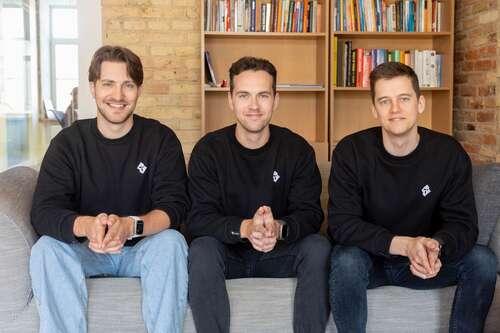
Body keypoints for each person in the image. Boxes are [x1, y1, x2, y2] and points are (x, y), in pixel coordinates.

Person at [30, 45, 190, 333]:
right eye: (108, 84)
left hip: (141, 249)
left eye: (128, 85)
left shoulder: (161, 139)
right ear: (92, 88)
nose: (118, 96)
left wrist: (131, 226)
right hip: (85, 250)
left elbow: (174, 208)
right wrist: (89, 226)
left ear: (139, 90)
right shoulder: (68, 143)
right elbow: (43, 212)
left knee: (172, 242)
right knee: (46, 249)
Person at [328, 61, 497, 333]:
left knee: (483, 260)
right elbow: (341, 224)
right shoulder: (351, 152)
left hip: (427, 262)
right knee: (345, 259)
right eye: (385, 101)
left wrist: (436, 246)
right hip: (371, 262)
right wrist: (404, 245)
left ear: (420, 103)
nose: (395, 110)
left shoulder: (448, 154)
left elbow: (464, 225)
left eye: (403, 99)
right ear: (374, 109)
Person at [186, 56, 331, 333]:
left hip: (280, 254)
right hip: (228, 255)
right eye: (244, 95)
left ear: (275, 100)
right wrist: (246, 228)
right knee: (201, 249)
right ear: (230, 100)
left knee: (318, 247)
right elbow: (197, 219)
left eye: (263, 95)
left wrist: (277, 228)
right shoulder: (209, 150)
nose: (254, 106)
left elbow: (311, 214)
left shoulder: (297, 150)